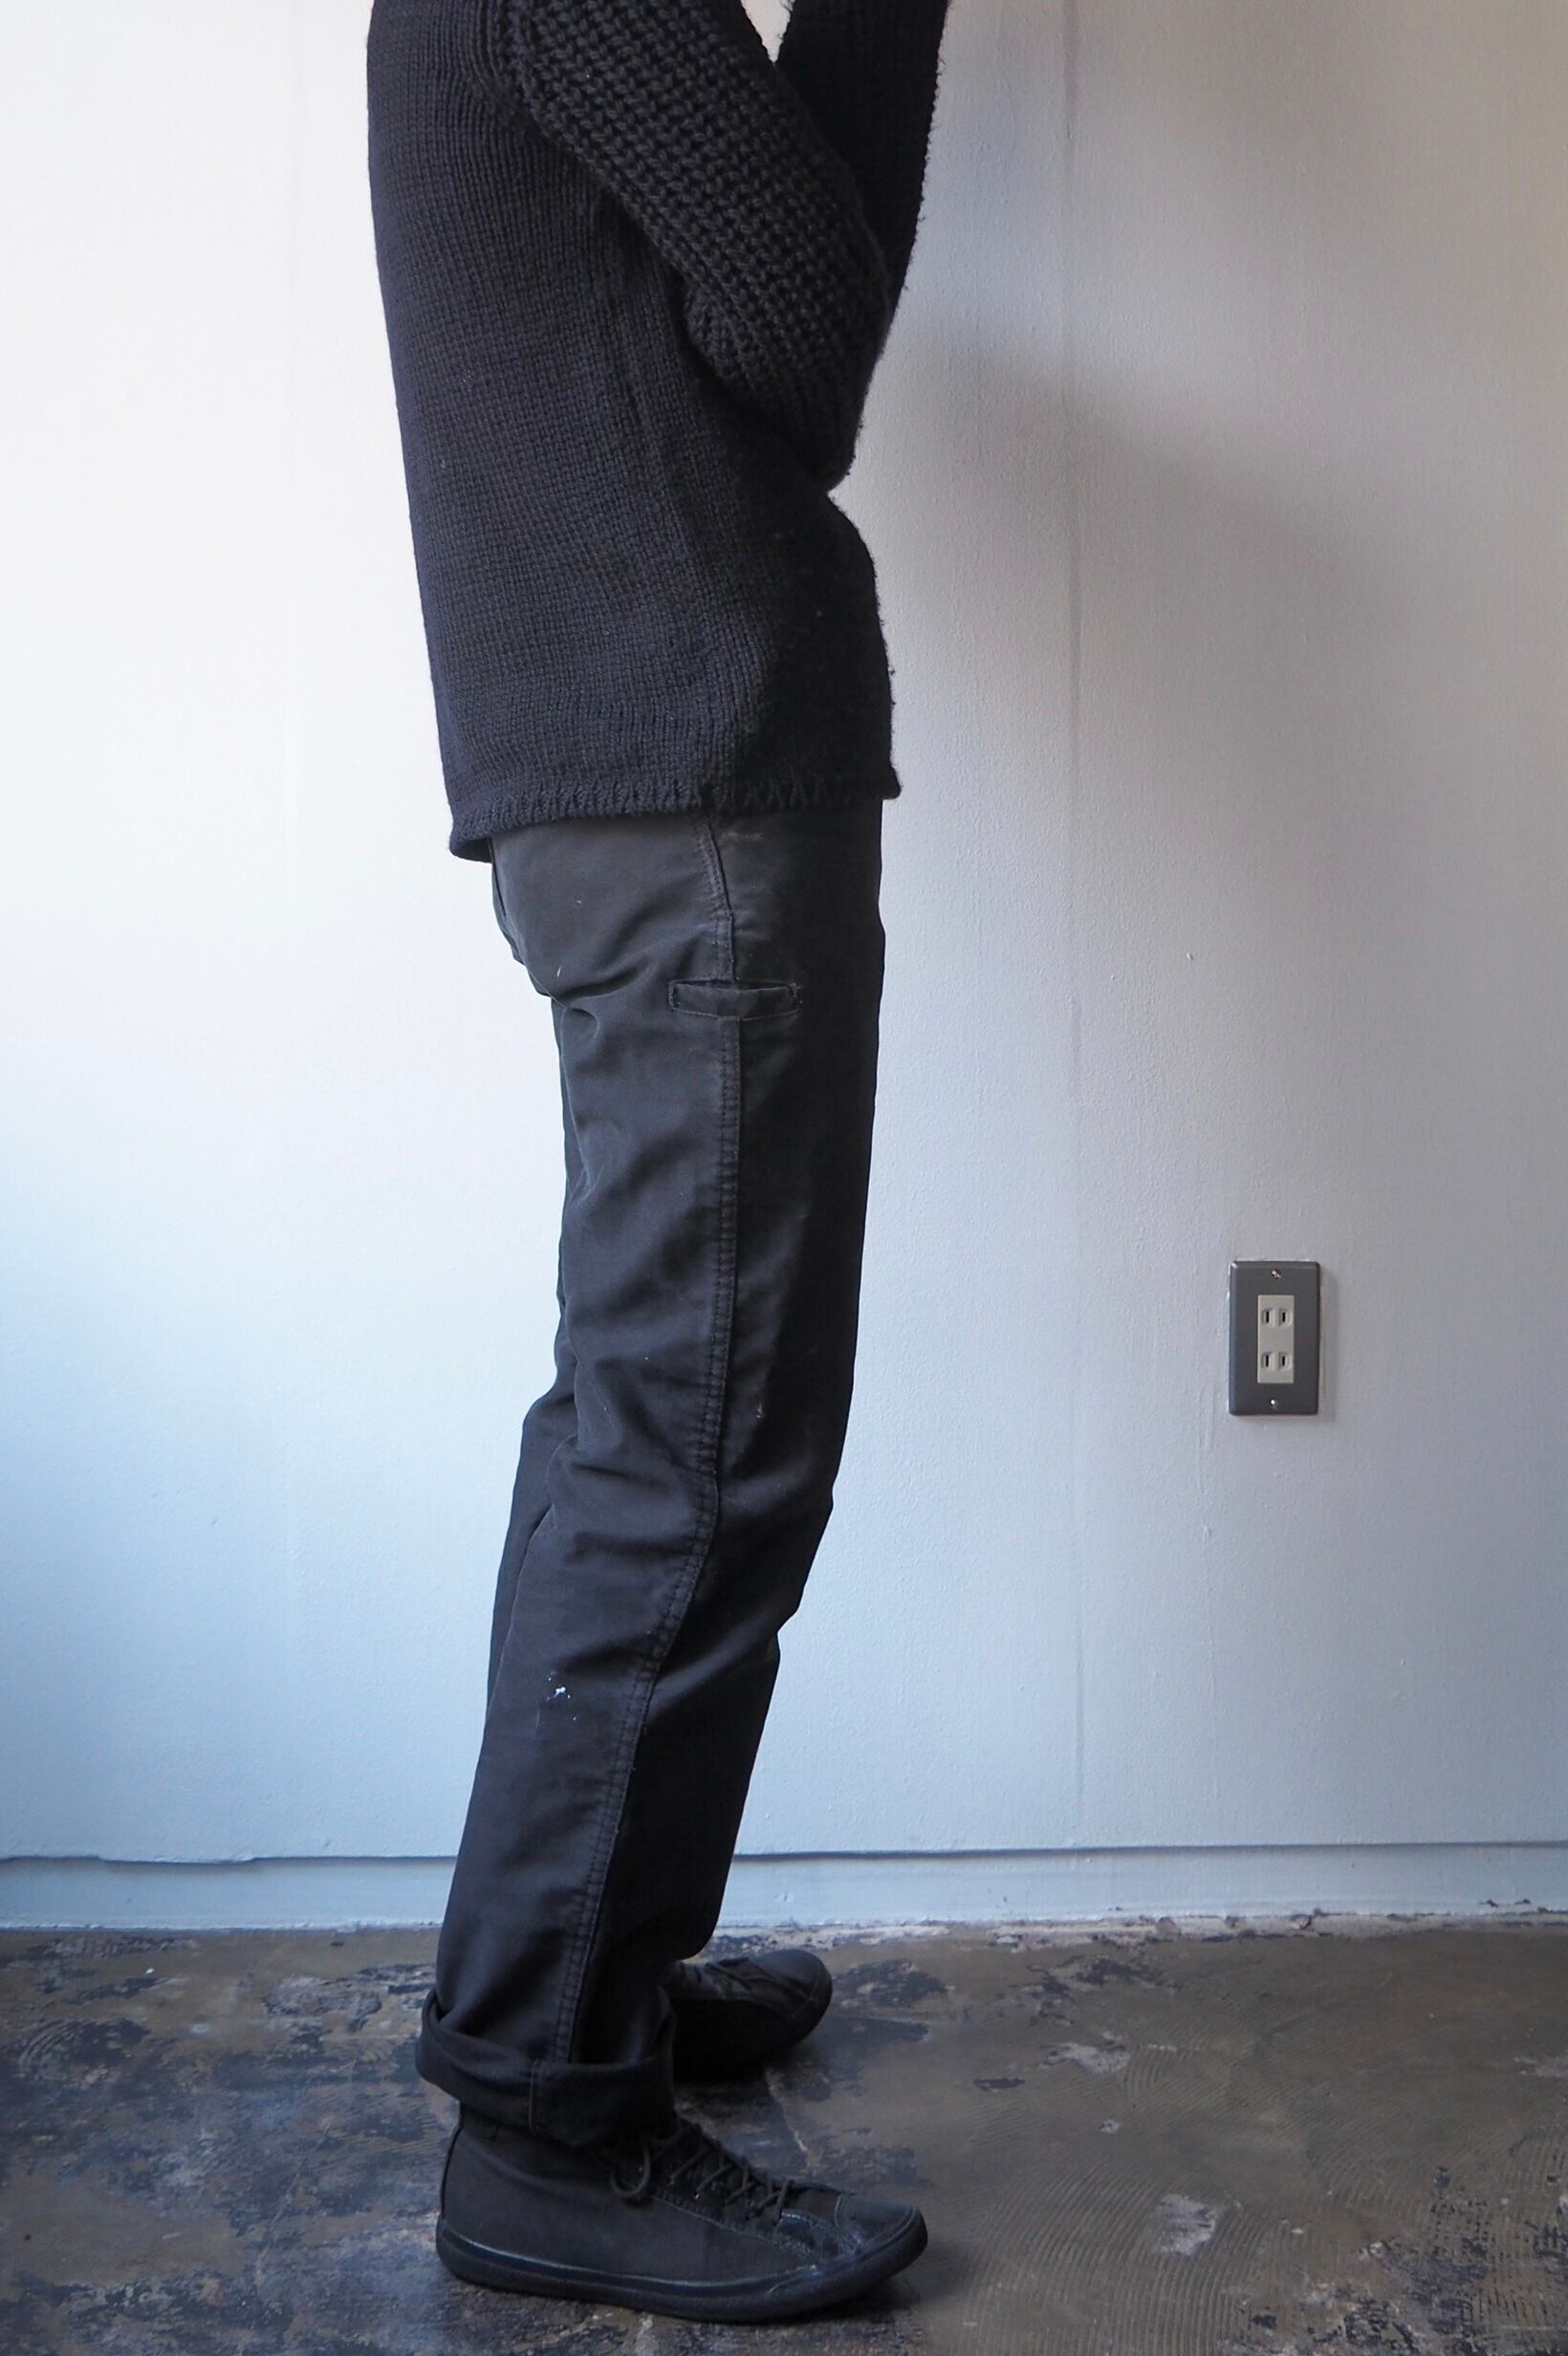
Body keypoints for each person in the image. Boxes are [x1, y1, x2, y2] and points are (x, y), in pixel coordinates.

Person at [364, 0, 950, 2323]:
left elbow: (774, 312)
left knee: (655, 1431)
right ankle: (549, 2122)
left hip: (653, 780)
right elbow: (811, 334)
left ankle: (575, 1978)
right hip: (683, 786)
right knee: (694, 1450)